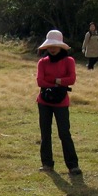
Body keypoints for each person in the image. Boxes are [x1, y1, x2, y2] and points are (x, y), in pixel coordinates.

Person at [35, 30, 81, 175]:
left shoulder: (69, 61)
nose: (52, 48)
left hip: (61, 102)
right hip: (44, 101)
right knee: (45, 133)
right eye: (50, 46)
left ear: (61, 46)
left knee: (64, 133)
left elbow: (71, 79)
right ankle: (47, 164)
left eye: (55, 45)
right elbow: (39, 81)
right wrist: (60, 82)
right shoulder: (42, 62)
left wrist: (53, 81)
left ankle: (73, 165)